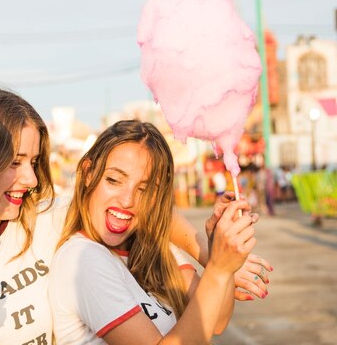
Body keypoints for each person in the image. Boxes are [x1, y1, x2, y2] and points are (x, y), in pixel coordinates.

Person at [0, 86, 270, 345]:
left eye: (33, 161)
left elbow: (136, 205)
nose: (31, 178)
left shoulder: (45, 218)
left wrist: (208, 252)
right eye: (15, 162)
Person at [49, 120, 259, 344]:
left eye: (144, 189)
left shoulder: (152, 245)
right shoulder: (82, 258)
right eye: (114, 180)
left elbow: (216, 320)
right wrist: (218, 269)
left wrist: (218, 252)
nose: (127, 200)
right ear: (88, 173)